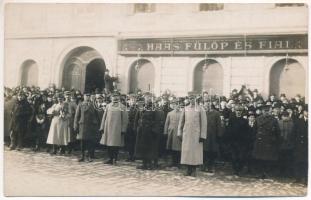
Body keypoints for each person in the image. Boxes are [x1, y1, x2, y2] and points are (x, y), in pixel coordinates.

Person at [177, 94, 207, 176]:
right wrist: (179, 132)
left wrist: (203, 135)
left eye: (193, 98)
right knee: (187, 152)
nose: (191, 100)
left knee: (195, 153)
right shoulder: (185, 109)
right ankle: (187, 169)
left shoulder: (200, 109)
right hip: (187, 134)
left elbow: (203, 123)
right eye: (190, 98)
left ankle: (194, 170)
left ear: (196, 99)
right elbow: (181, 122)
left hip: (196, 135)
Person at [252, 105, 280, 179]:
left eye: (268, 111)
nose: (266, 112)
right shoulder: (258, 119)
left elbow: (278, 132)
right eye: (265, 111)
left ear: (270, 111)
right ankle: (260, 173)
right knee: (259, 158)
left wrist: (275, 140)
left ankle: (266, 173)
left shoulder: (274, 120)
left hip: (269, 141)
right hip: (259, 141)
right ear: (262, 111)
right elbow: (254, 131)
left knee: (268, 158)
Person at [100, 92, 128, 165]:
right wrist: (102, 127)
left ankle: (115, 159)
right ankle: (110, 158)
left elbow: (125, 119)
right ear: (110, 98)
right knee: (108, 144)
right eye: (113, 96)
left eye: (116, 96)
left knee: (115, 144)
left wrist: (123, 129)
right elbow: (104, 117)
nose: (115, 98)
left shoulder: (122, 107)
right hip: (108, 128)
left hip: (117, 129)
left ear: (119, 98)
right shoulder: (108, 106)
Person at [74, 92, 100, 162]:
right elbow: (77, 116)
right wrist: (75, 125)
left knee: (90, 142)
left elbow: (97, 116)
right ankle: (82, 156)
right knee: (82, 142)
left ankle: (88, 156)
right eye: (86, 96)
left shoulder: (93, 105)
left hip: (91, 126)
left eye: (89, 96)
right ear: (84, 97)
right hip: (82, 125)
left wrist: (96, 124)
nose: (87, 97)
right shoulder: (80, 105)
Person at [227, 105, 251, 176]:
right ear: (235, 111)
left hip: (241, 142)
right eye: (237, 111)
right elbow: (229, 130)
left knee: (241, 157)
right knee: (233, 157)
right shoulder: (231, 120)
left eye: (240, 111)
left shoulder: (245, 121)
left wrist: (245, 141)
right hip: (233, 142)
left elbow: (247, 132)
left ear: (242, 112)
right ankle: (235, 170)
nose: (238, 112)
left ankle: (239, 169)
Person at [134, 97, 157, 170]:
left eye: (149, 101)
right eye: (146, 101)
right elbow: (136, 119)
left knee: (149, 148)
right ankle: (144, 163)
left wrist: (153, 129)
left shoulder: (154, 110)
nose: (147, 102)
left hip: (149, 131)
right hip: (141, 131)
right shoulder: (141, 109)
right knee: (142, 147)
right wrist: (136, 128)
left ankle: (149, 164)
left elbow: (156, 120)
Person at [164, 98, 183, 168]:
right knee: (171, 148)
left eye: (178, 105)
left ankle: (178, 162)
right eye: (176, 104)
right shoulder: (169, 113)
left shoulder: (182, 114)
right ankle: (172, 162)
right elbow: (166, 123)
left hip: (178, 134)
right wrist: (165, 132)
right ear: (174, 105)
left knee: (178, 148)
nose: (177, 106)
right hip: (171, 133)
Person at [203, 103, 222, 173]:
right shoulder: (204, 113)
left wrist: (219, 135)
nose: (206, 108)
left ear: (210, 106)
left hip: (213, 136)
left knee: (213, 152)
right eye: (205, 107)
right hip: (205, 135)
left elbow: (219, 125)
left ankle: (211, 166)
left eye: (207, 106)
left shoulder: (216, 113)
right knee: (205, 151)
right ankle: (205, 166)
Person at [293, 106, 308, 185]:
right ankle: (298, 178)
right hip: (299, 145)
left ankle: (306, 179)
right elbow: (294, 133)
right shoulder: (298, 121)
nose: (308, 113)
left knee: (307, 162)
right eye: (306, 111)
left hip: (307, 146)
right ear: (303, 112)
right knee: (298, 161)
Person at [277, 111, 295, 178]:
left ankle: (288, 173)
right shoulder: (278, 123)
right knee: (281, 158)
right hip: (281, 143)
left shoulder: (292, 123)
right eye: (284, 116)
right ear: (282, 116)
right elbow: (277, 133)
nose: (285, 117)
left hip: (289, 144)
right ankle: (281, 172)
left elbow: (293, 133)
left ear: (288, 116)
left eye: (286, 116)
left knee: (289, 159)